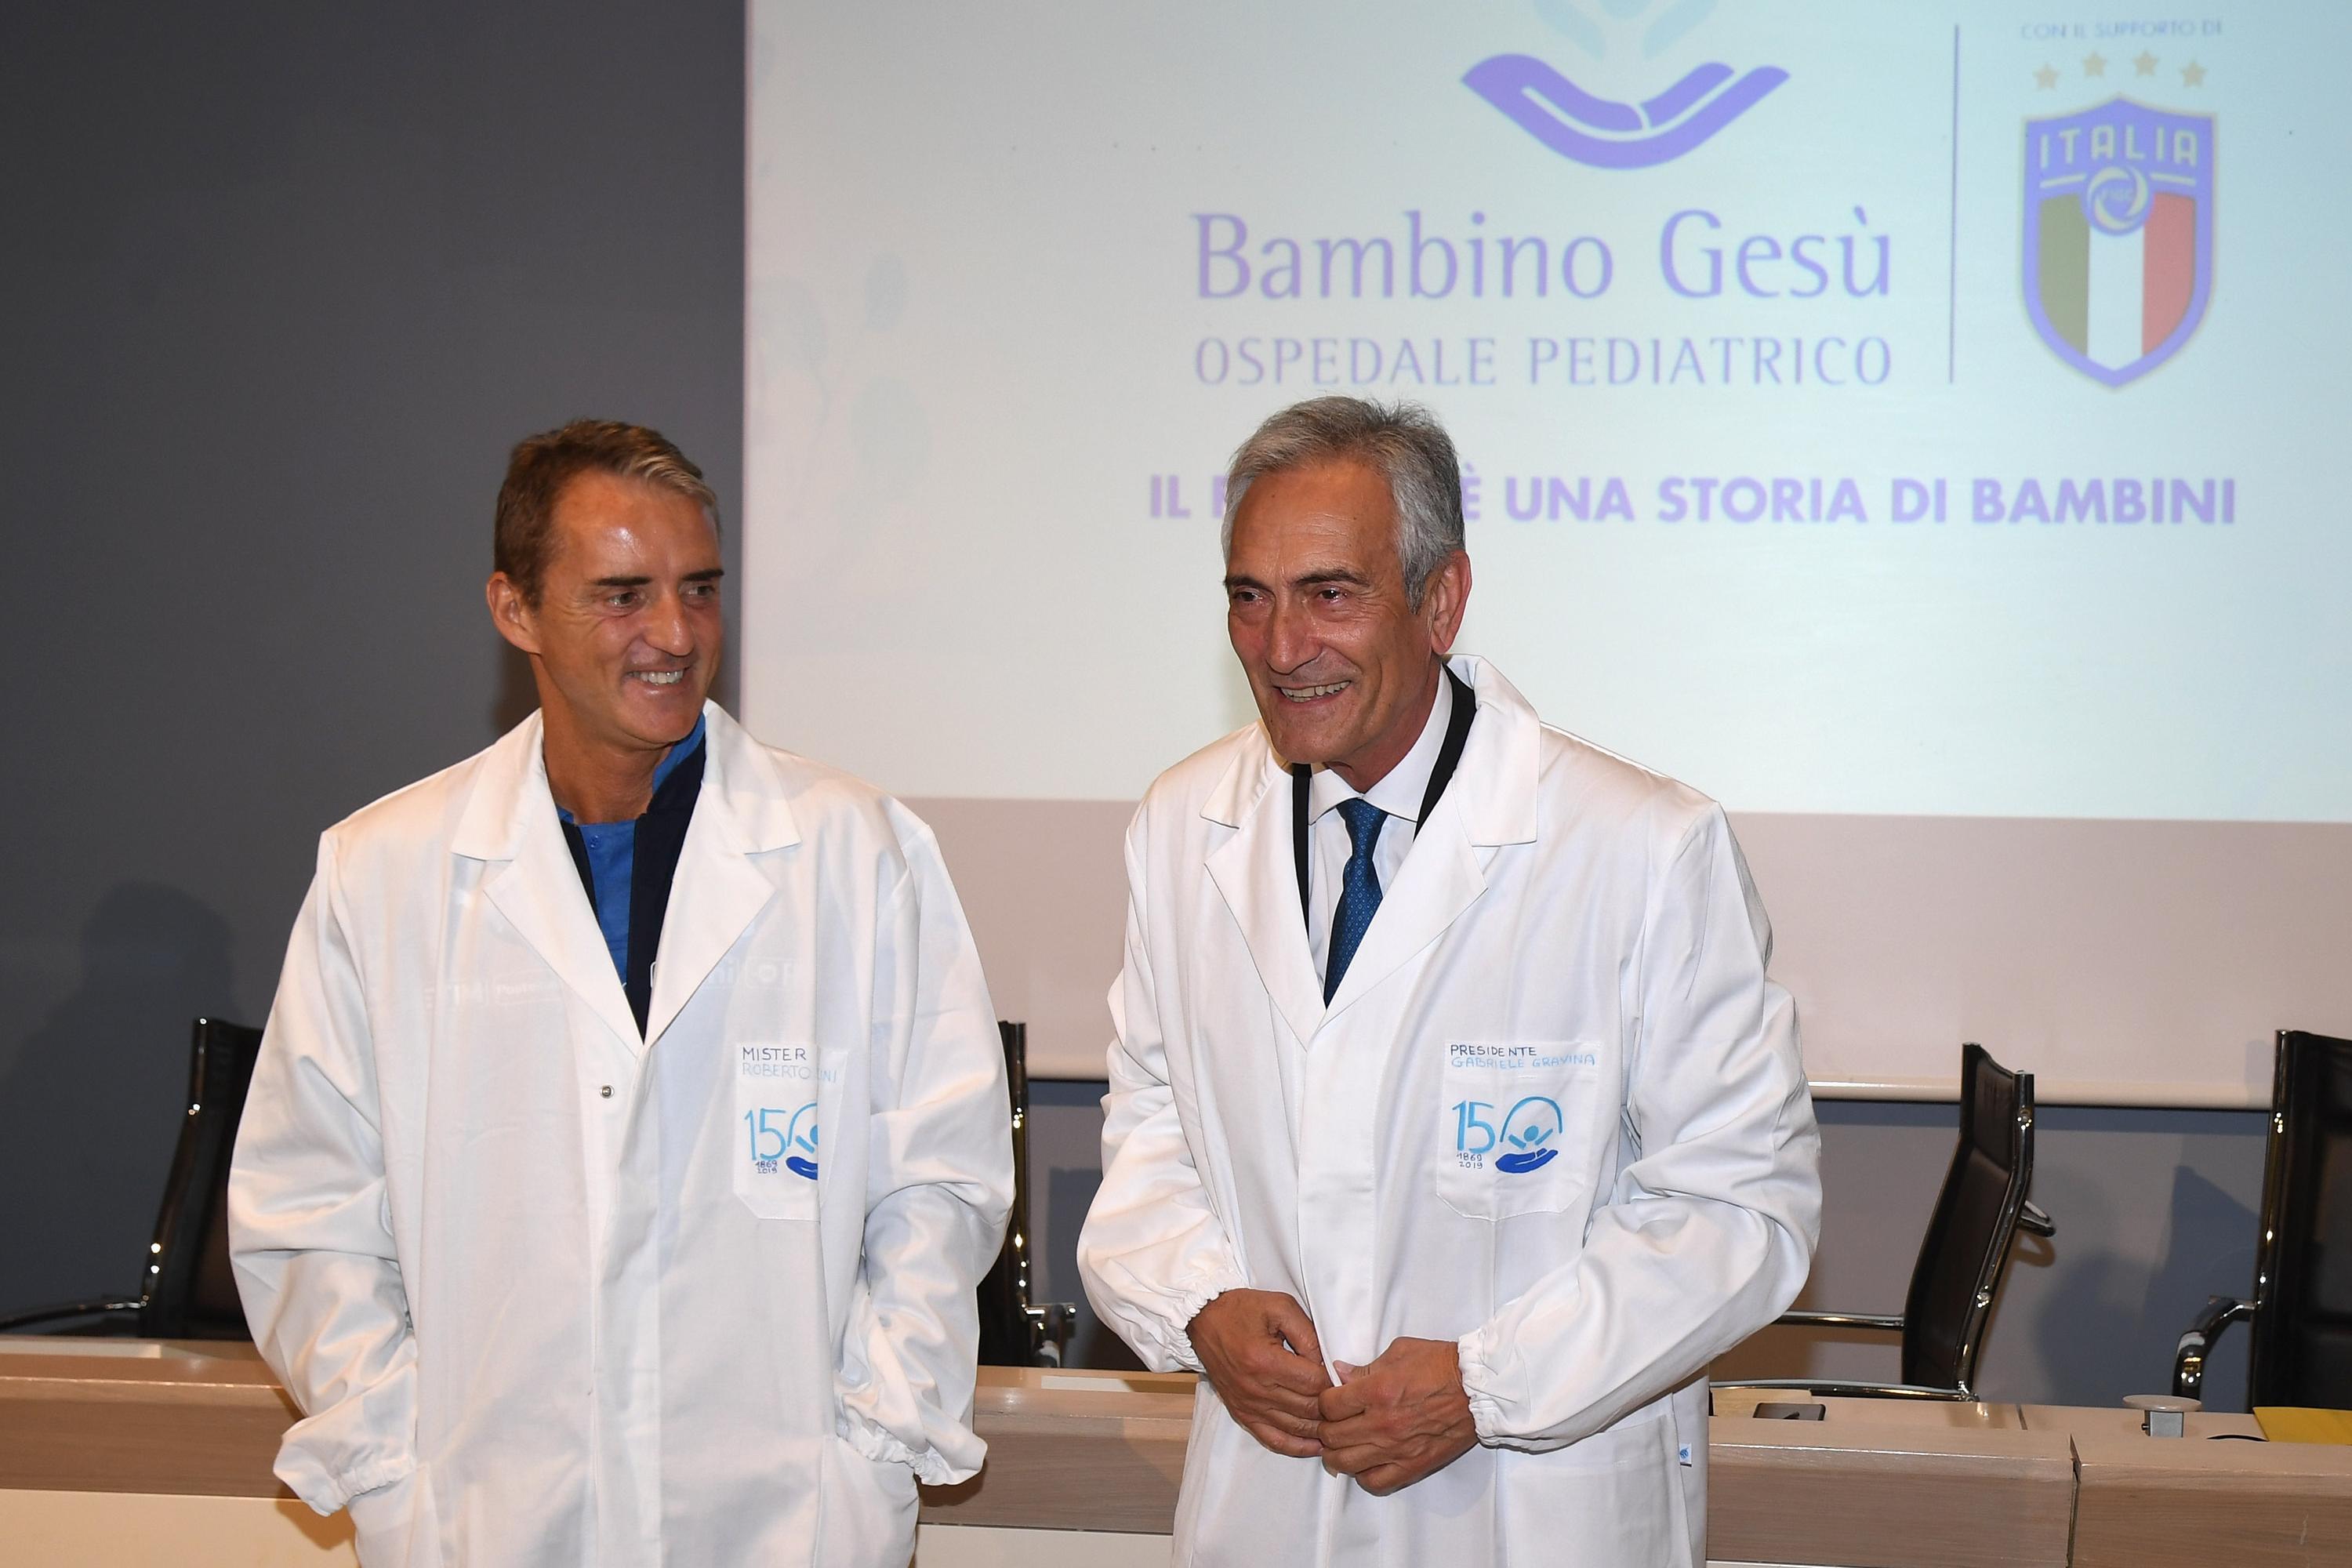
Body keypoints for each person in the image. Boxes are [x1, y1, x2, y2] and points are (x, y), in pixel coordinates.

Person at [230, 419, 1012, 1567]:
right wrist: (398, 1468)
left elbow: (941, 1184)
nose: (677, 634)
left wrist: (870, 1448)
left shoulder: (856, 851)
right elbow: (308, 1215)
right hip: (490, 1518)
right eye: (621, 595)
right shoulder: (384, 871)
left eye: (700, 588)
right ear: (514, 610)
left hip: (785, 1520)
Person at [1076, 397, 1822, 1565]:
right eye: (1248, 596)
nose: (1281, 649)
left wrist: (1489, 1383)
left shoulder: (1640, 847)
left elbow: (1741, 1209)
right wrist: (1194, 1302)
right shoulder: (1183, 825)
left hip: (1533, 1505)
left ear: (1440, 599)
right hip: (1274, 1499)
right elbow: (1153, 1125)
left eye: (1330, 594)